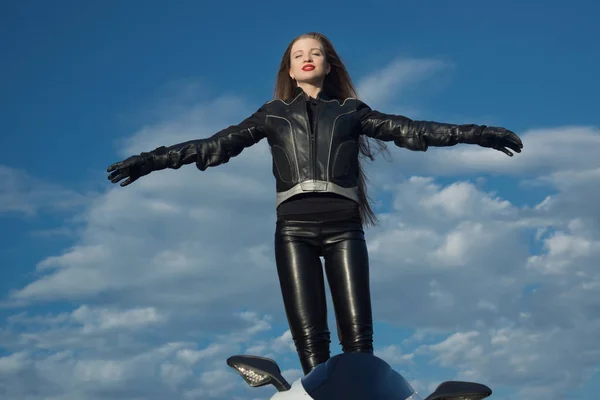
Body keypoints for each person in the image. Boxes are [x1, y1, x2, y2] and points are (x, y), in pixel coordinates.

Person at [106, 32, 523, 375]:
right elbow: (214, 146)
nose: (307, 58)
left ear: (329, 64)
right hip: (293, 232)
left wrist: (477, 133)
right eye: (298, 55)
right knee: (312, 348)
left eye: (315, 53)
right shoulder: (271, 114)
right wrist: (151, 160)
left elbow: (413, 130)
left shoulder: (351, 111)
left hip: (344, 228)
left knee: (359, 345)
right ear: (289, 69)